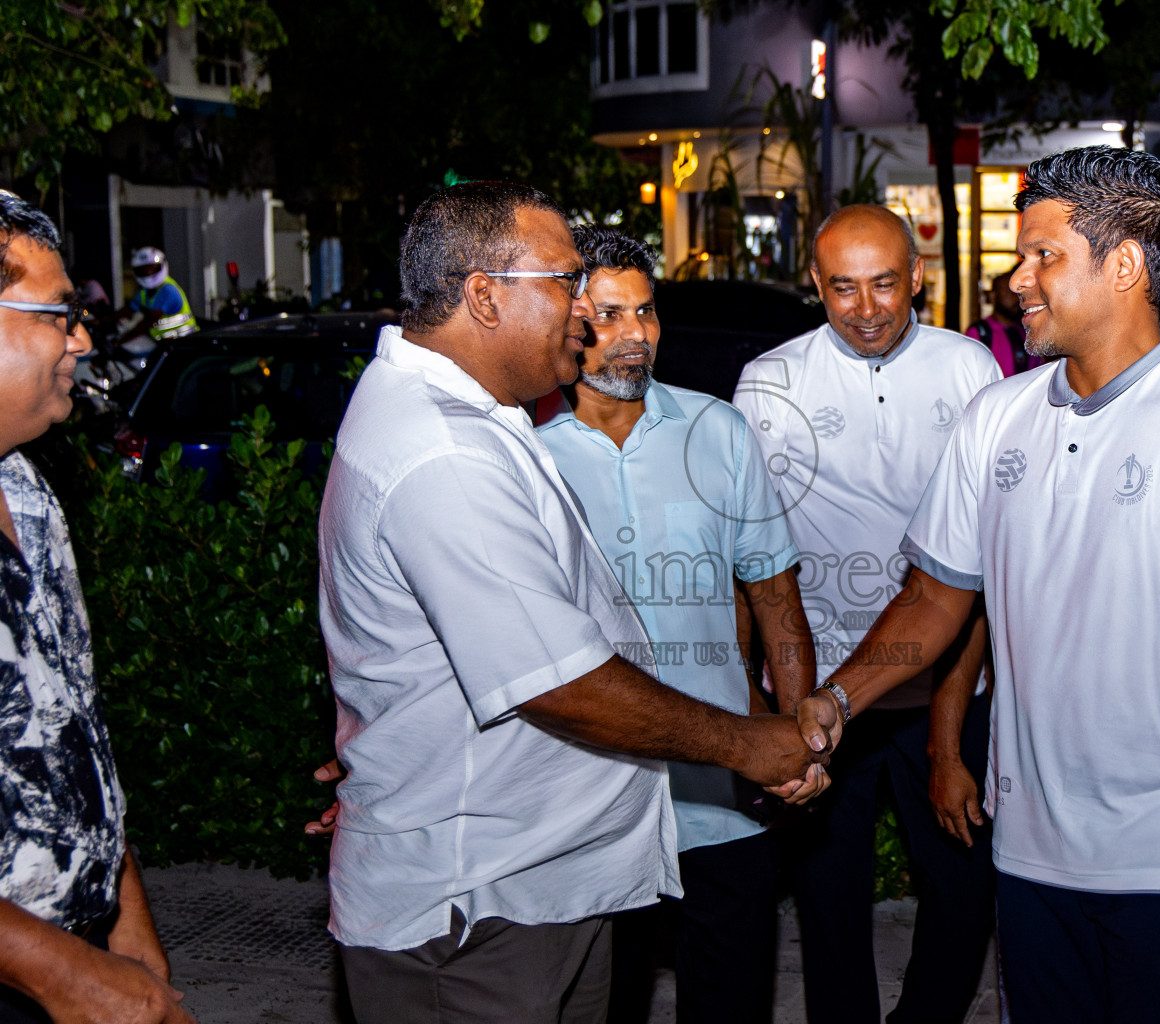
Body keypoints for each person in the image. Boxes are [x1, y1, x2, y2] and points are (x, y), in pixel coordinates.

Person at [795, 147, 1160, 1024]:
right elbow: (936, 601)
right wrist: (838, 701)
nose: (1019, 280)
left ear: (1123, 265)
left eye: (1044, 254)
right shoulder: (997, 416)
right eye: (1023, 256)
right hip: (1033, 855)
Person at [318, 182, 832, 1024]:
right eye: (566, 286)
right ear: (484, 295)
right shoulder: (446, 452)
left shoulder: (480, 424)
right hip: (480, 909)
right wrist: (748, 744)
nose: (590, 319)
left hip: (538, 885)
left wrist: (385, 745)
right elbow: (555, 680)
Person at [538, 225, 815, 1024]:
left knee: (729, 1006)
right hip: (587, 800)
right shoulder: (525, 451)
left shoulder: (717, 431)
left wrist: (800, 735)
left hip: (722, 790)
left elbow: (774, 597)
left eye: (647, 313)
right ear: (565, 320)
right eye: (611, 315)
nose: (636, 336)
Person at [733, 204, 1001, 1024]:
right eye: (843, 288)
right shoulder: (767, 382)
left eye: (885, 282)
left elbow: (984, 568)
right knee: (828, 905)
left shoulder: (972, 373)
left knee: (964, 893)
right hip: (818, 701)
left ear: (917, 275)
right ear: (814, 285)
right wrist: (762, 702)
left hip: (945, 693)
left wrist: (950, 733)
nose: (867, 307)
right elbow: (747, 559)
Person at [0, 192, 190, 1023]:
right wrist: (61, 976)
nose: (80, 340)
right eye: (56, 316)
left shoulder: (28, 491)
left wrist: (126, 918)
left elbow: (72, 720)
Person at [965, 267, 1041, 376]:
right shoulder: (980, 332)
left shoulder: (1025, 329)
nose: (1016, 298)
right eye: (1009, 292)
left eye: (1018, 293)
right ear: (993, 297)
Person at [117, 247, 197, 345]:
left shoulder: (168, 290)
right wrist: (102, 321)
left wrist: (120, 342)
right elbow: (129, 308)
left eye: (152, 268)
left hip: (184, 344)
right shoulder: (145, 291)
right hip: (165, 344)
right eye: (143, 270)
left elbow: (148, 322)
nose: (148, 273)